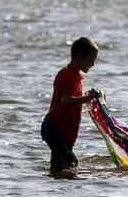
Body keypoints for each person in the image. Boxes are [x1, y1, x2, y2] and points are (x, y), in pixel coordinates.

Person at [41, 37, 99, 173]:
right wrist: (87, 98)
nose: (93, 64)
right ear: (80, 56)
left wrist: (90, 99)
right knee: (69, 162)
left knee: (61, 167)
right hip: (54, 129)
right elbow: (65, 101)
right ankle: (58, 189)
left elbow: (74, 102)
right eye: (91, 60)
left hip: (66, 132)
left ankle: (55, 187)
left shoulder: (76, 77)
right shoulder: (68, 75)